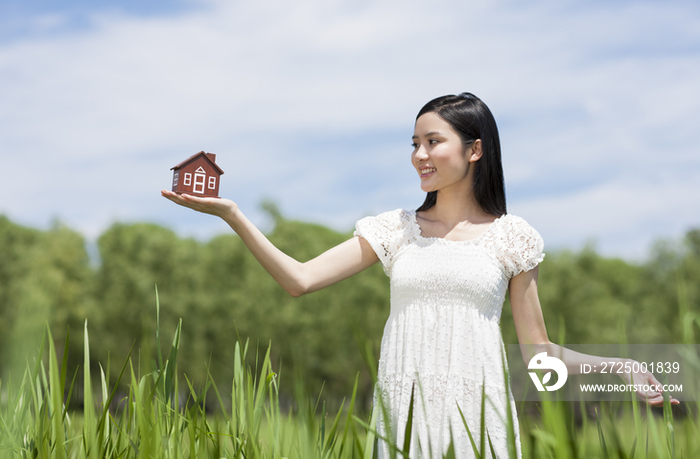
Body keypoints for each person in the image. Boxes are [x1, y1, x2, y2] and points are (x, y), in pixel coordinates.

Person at [162, 92, 675, 459]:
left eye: (433, 142)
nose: (419, 155)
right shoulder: (395, 229)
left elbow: (538, 354)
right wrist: (232, 215)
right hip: (404, 413)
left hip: (480, 416)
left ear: (475, 150)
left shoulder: (514, 238)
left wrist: (623, 369)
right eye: (414, 143)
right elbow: (299, 280)